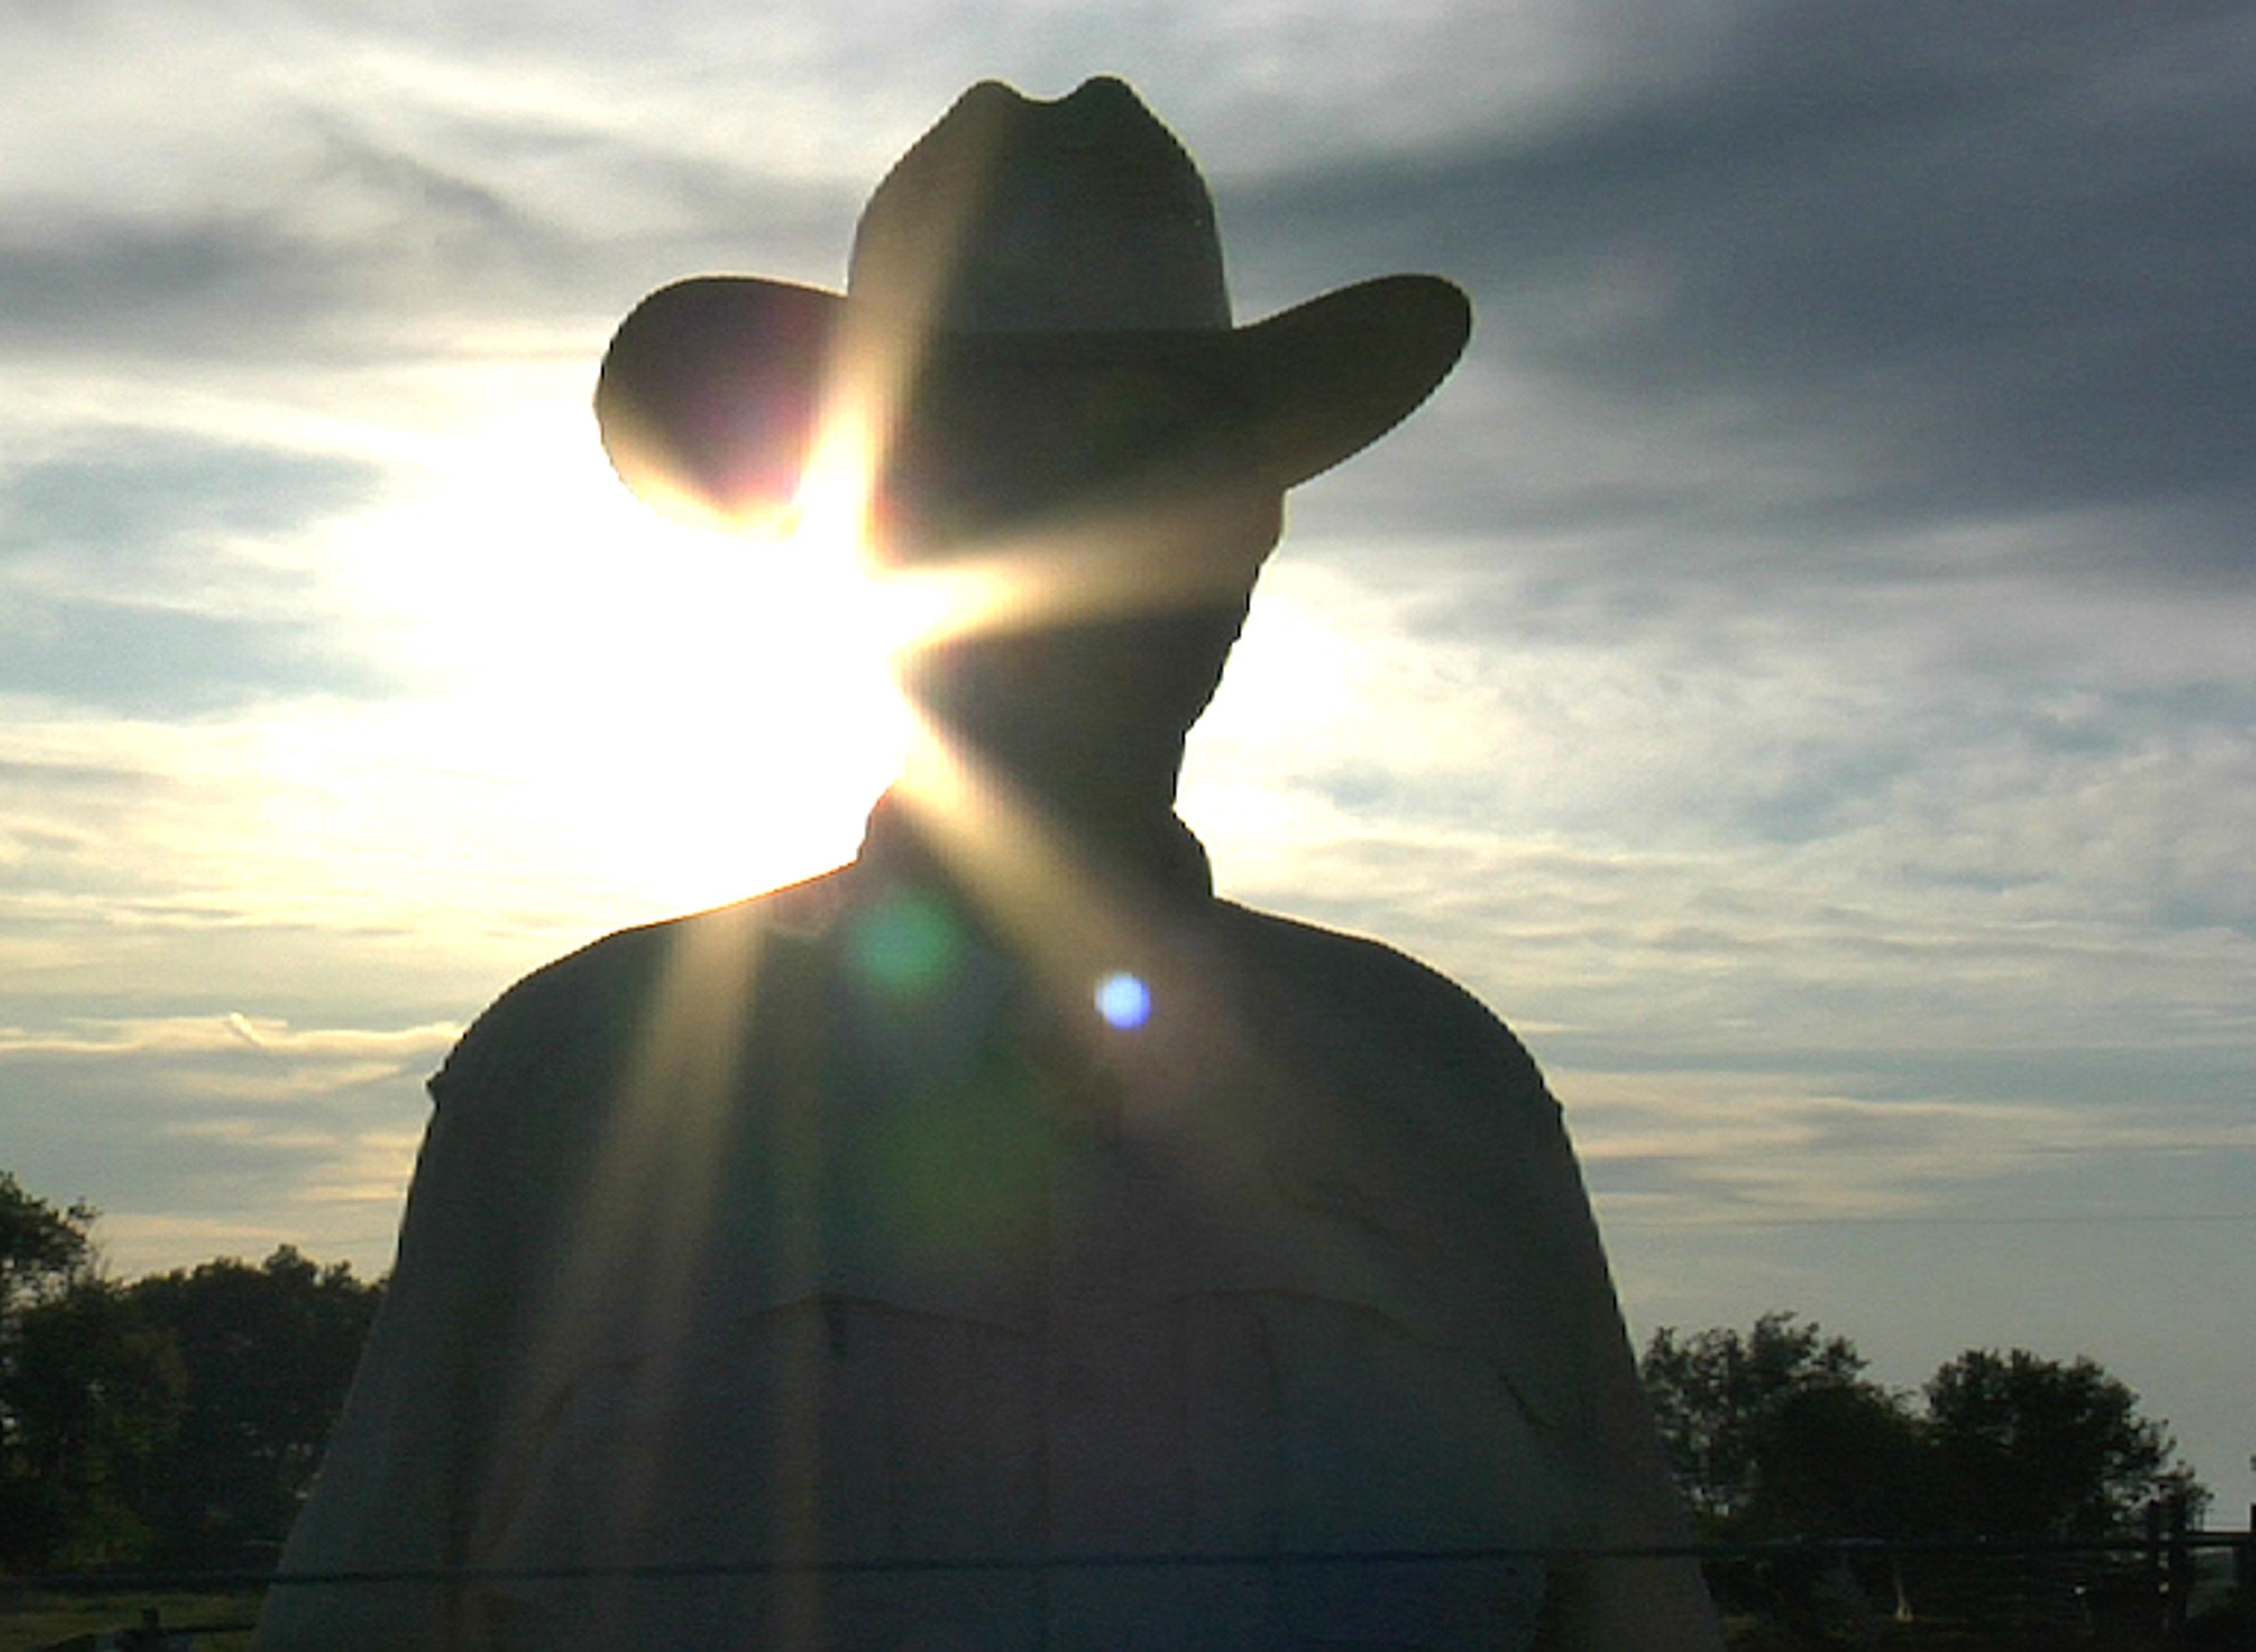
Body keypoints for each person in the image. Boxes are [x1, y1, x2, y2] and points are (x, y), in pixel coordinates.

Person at [256, 77, 1722, 1652]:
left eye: (1156, 468)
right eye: (984, 471)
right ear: (864, 545)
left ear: (1255, 537)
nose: (1077, 546)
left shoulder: (1448, 1089)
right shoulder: (574, 1083)